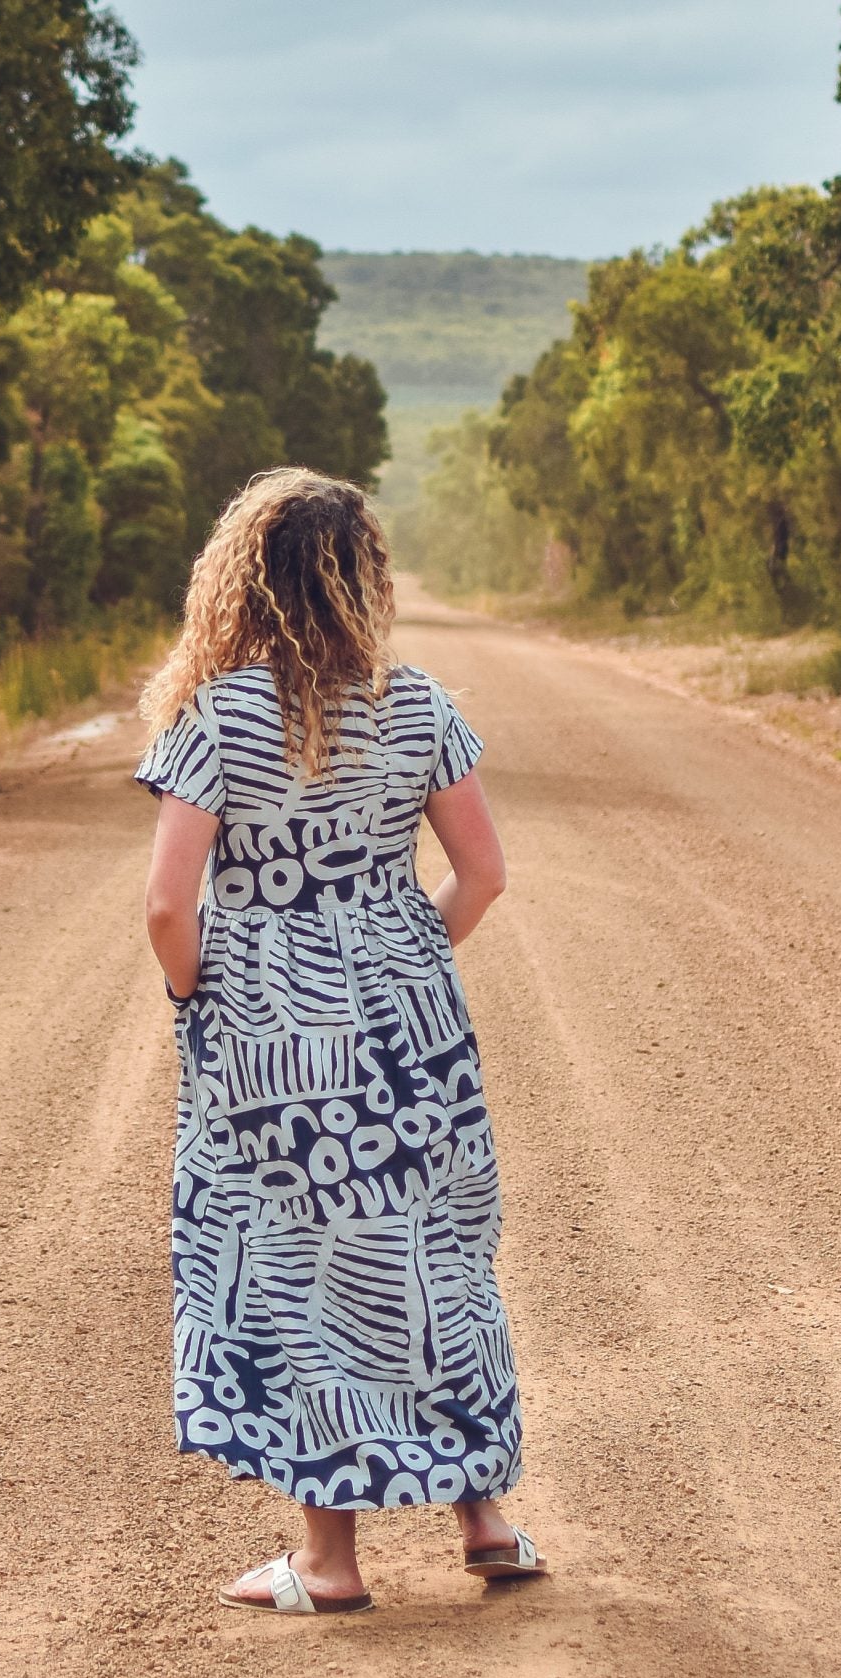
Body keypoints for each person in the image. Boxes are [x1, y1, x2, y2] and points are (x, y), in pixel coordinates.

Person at [134, 466, 545, 1615]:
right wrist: (404, 957)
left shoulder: (215, 719)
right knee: (434, 1250)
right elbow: (483, 877)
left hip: (268, 1029)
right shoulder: (418, 707)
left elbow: (169, 908)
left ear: (244, 583)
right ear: (362, 577)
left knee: (300, 1267)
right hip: (413, 1017)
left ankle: (329, 1561)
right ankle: (488, 1521)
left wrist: (202, 999)